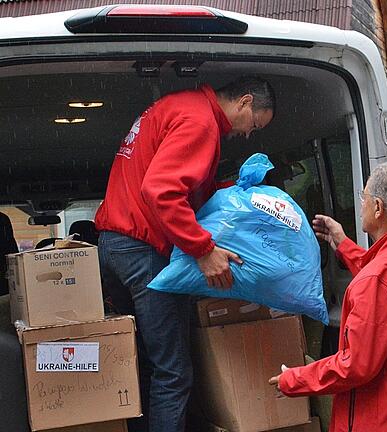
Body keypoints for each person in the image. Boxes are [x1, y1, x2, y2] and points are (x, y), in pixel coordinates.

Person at [94, 76, 275, 432]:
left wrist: (234, 191)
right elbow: (161, 191)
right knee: (174, 373)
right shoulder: (201, 121)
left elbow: (181, 187)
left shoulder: (179, 107)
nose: (248, 134)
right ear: (245, 101)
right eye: (254, 124)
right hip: (142, 251)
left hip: (113, 246)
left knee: (146, 362)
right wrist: (203, 249)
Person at [269, 161, 387, 432]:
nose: (361, 203)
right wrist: (344, 245)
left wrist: (294, 380)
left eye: (363, 197)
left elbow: (355, 365)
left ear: (378, 207)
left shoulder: (379, 278)